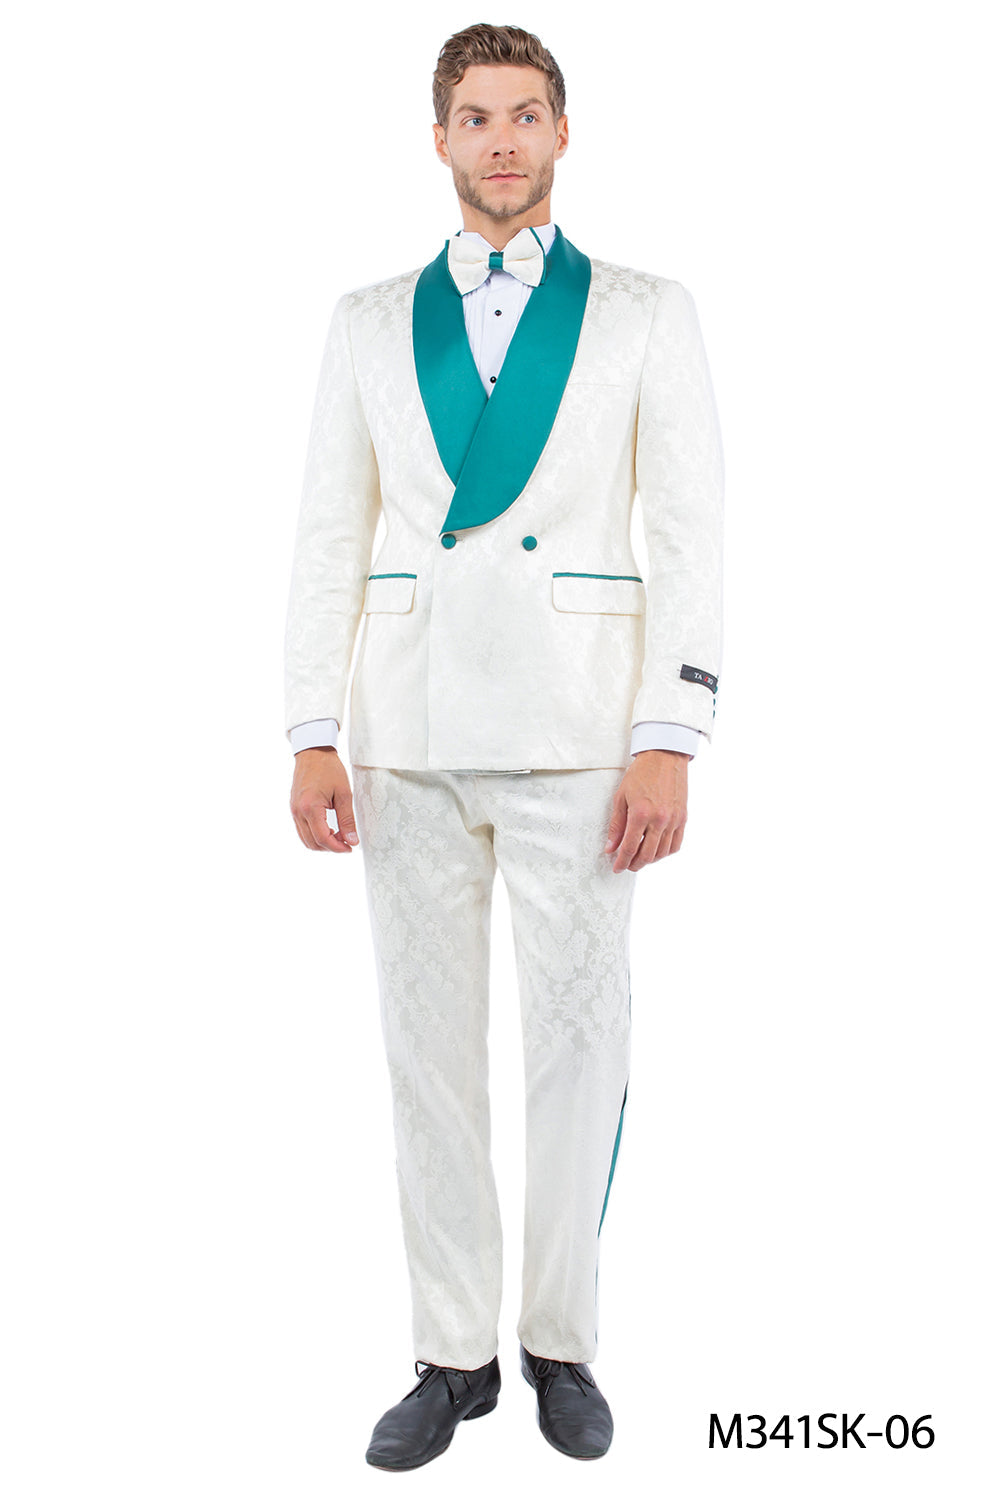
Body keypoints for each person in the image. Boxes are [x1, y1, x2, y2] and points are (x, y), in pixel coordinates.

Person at [284, 21, 724, 1470]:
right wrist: (311, 728)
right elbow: (327, 537)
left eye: (525, 114)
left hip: (583, 731)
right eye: (475, 117)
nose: (502, 141)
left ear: (563, 130)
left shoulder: (646, 311)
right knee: (426, 1059)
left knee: (579, 1051)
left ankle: (560, 1342)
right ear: (439, 138)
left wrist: (671, 732)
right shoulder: (366, 321)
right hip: (406, 729)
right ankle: (450, 1352)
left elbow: (690, 534)